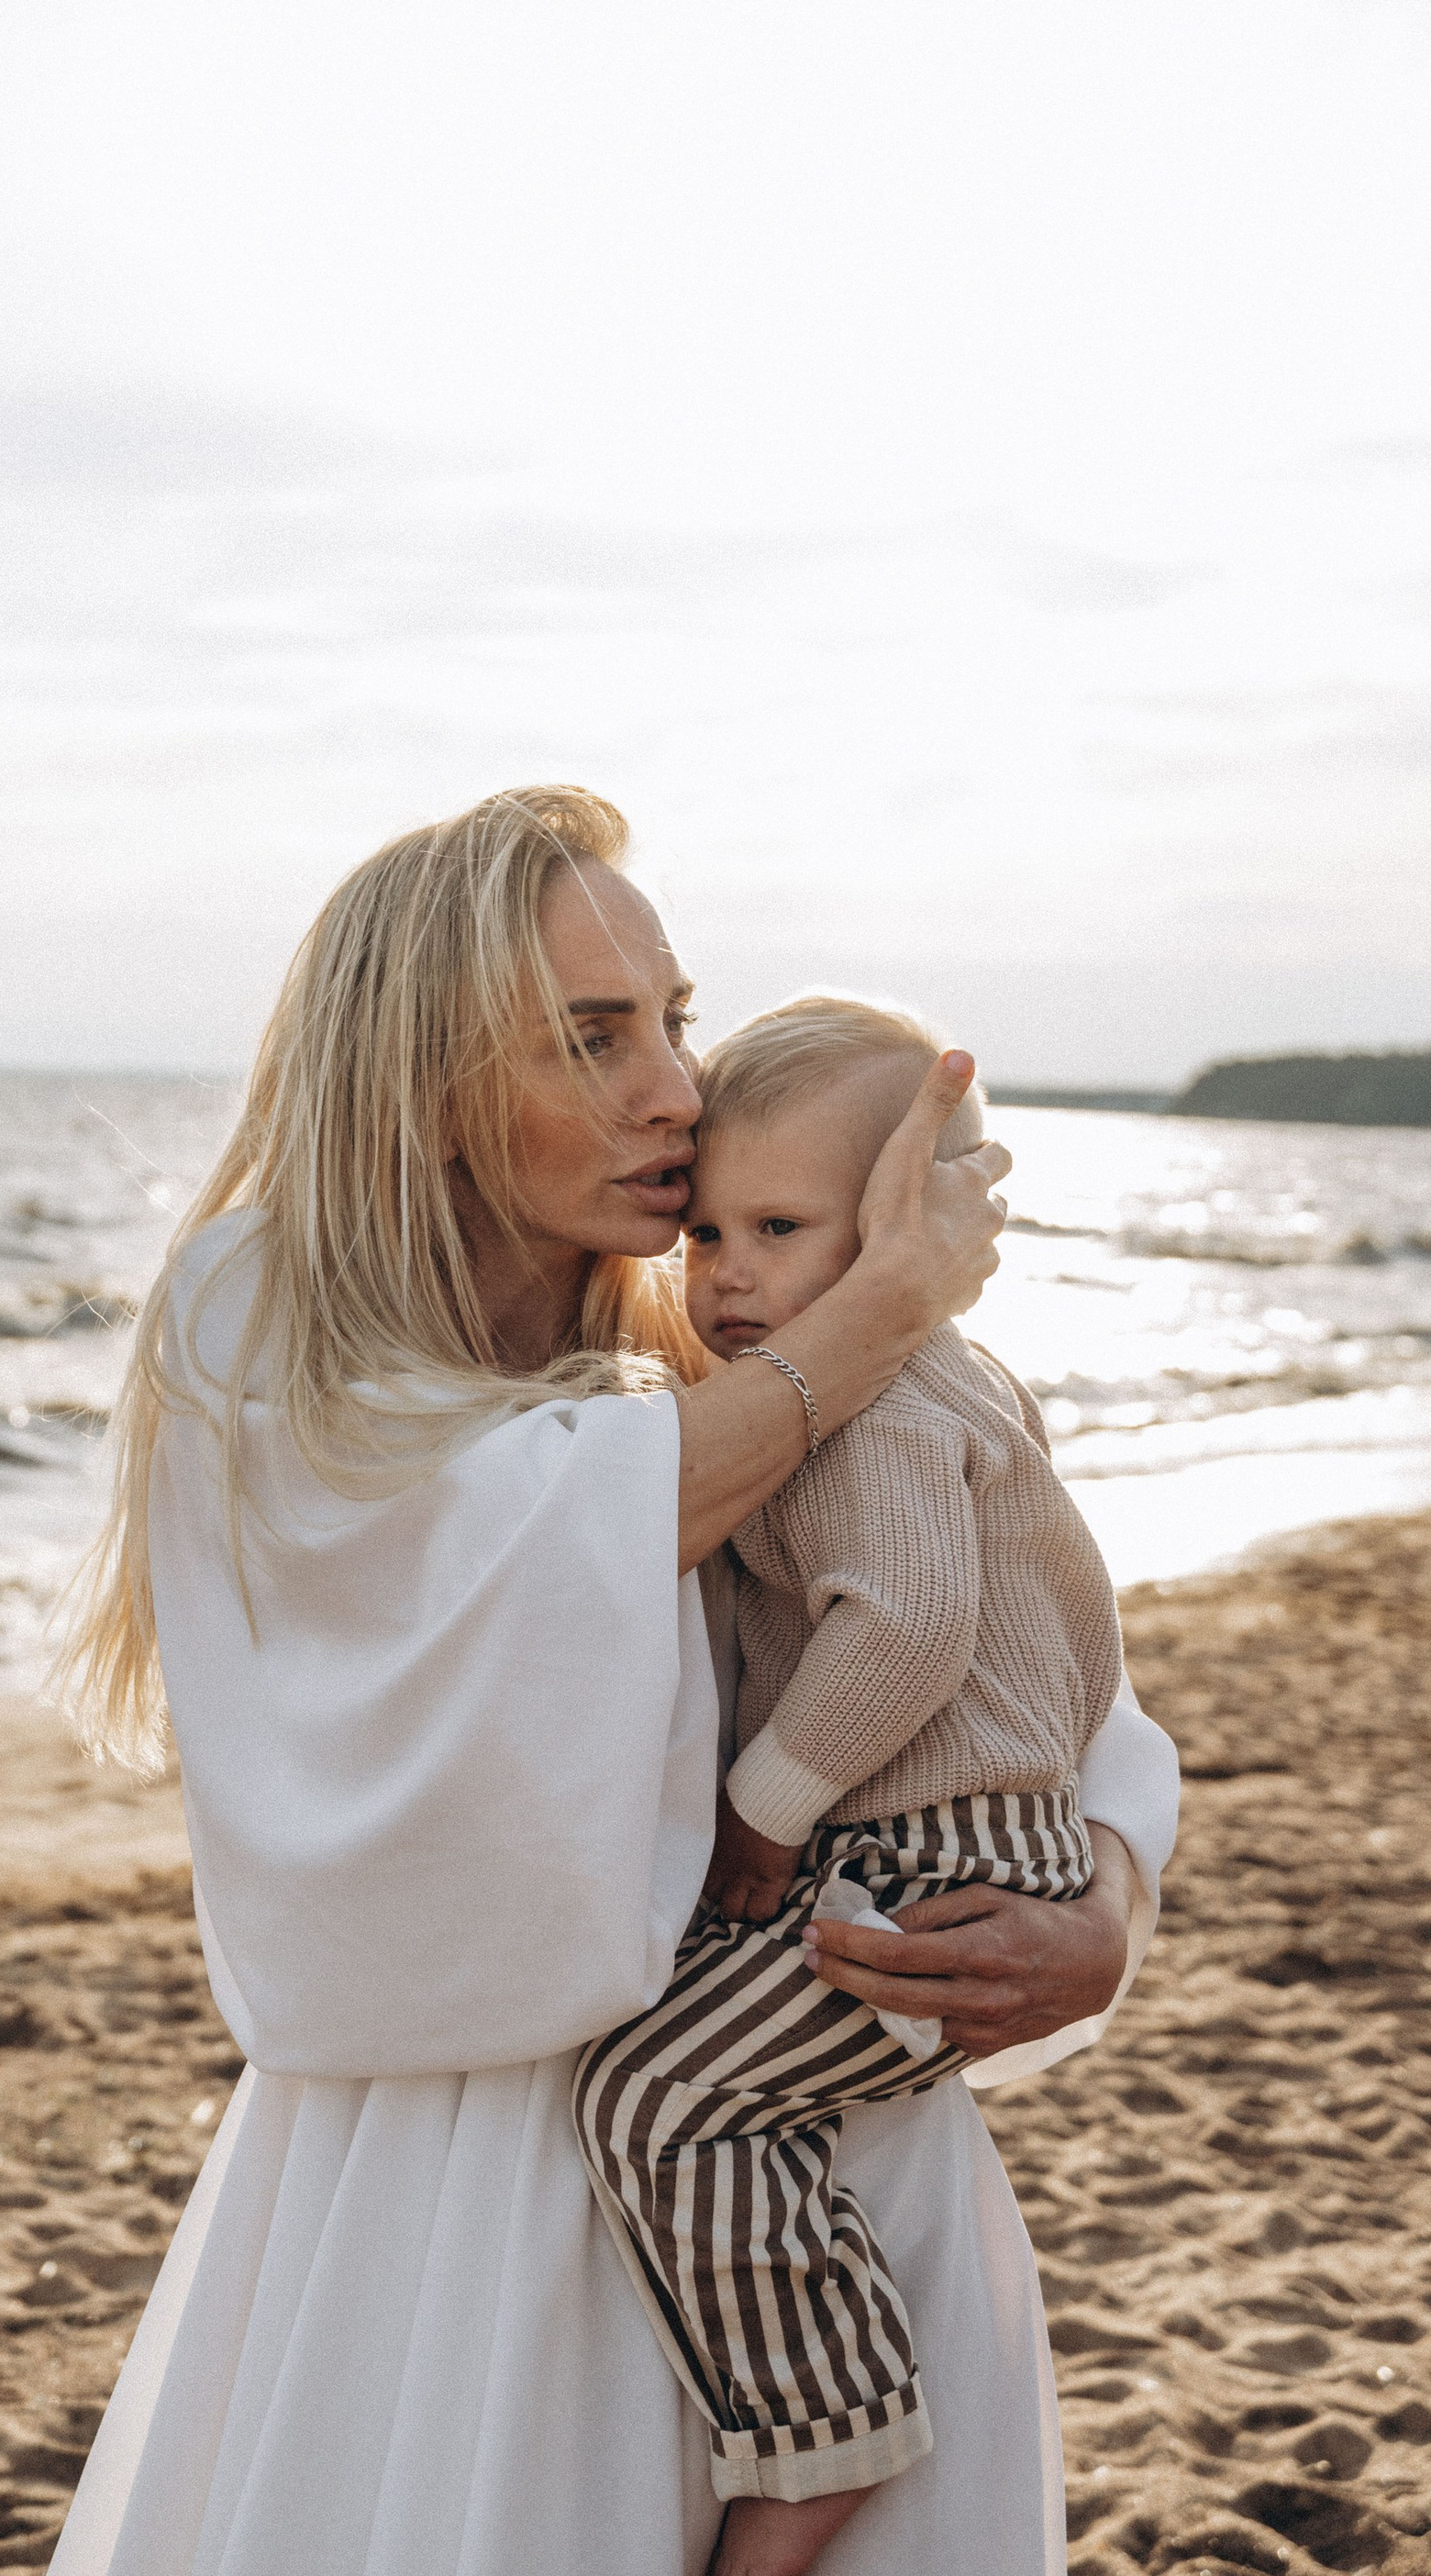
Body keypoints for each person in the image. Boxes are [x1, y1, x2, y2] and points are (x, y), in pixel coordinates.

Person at [50, 788, 1179, 2576]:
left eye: (673, 1017)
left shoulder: (720, 1334)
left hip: (800, 2174)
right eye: (591, 1037)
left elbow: (1027, 1659)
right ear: (421, 1082)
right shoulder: (257, 1315)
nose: (673, 1087)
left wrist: (1104, 1903)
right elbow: (518, 1536)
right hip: (443, 2194)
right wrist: (881, 1303)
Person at [571, 993, 1130, 2572]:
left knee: (664, 2096)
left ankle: (828, 2427)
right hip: (968, 1827)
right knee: (696, 2068)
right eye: (708, 1234)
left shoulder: (873, 1409)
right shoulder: (961, 1378)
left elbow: (907, 1625)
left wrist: (758, 1815)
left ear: (904, 1230)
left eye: (781, 1229)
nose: (728, 1276)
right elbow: (1074, 1622)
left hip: (922, 1853)